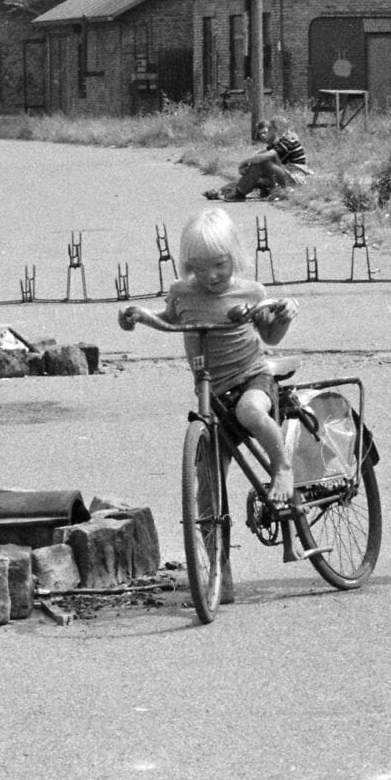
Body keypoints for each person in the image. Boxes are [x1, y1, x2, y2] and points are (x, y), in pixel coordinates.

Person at [120, 208, 297, 602]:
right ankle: (218, 571)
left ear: (234, 255)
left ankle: (282, 468)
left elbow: (272, 335)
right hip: (211, 395)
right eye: (200, 268)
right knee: (206, 489)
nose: (212, 275)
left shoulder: (251, 292)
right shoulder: (182, 293)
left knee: (249, 412)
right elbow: (170, 318)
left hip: (252, 380)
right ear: (188, 266)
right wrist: (138, 317)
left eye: (219, 264)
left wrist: (284, 315)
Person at [205, 118, 312, 201]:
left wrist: (245, 162)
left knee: (261, 162)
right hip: (286, 176)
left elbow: (265, 157)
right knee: (254, 175)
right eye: (261, 133)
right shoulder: (278, 144)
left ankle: (238, 193)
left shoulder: (288, 140)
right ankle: (222, 192)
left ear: (276, 130)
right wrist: (248, 168)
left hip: (294, 179)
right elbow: (261, 158)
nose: (265, 134)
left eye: (269, 130)